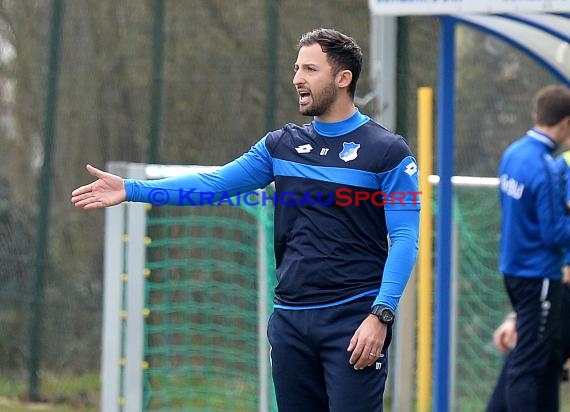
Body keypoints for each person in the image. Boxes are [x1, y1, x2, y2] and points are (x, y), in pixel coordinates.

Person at [71, 28, 420, 412]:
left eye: (310, 69)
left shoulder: (387, 151)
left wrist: (381, 314)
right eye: (296, 68)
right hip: (290, 321)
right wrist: (132, 189)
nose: (297, 79)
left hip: (354, 320)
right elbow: (214, 184)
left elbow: (404, 236)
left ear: (343, 78)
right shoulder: (280, 146)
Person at [487, 85, 570, 412]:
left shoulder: (513, 153)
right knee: (528, 364)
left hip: (513, 266)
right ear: (565, 123)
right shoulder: (546, 166)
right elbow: (554, 234)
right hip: (540, 274)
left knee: (542, 359)